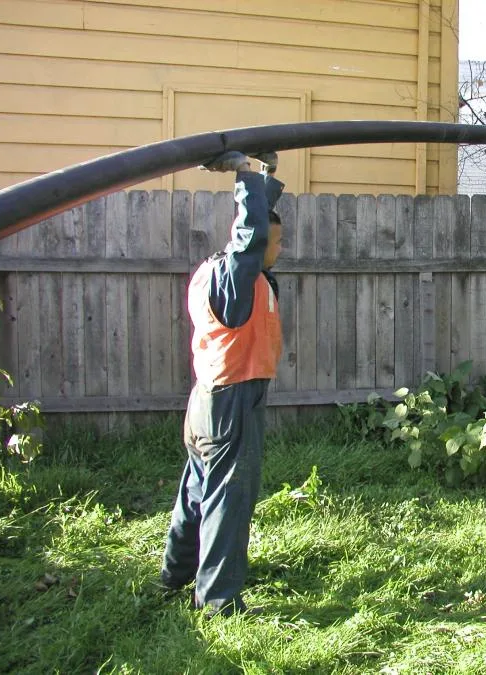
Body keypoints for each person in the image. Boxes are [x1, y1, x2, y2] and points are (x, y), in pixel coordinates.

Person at [160, 149, 284, 617]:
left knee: (197, 493)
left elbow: (257, 231)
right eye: (277, 242)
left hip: (206, 401)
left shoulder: (216, 271)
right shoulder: (235, 278)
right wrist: (244, 175)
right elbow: (250, 236)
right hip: (231, 402)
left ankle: (176, 574)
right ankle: (218, 602)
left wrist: (266, 178)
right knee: (229, 502)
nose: (280, 248)